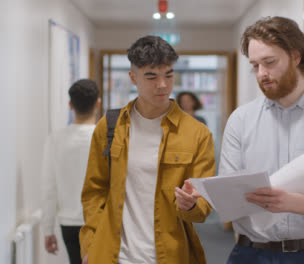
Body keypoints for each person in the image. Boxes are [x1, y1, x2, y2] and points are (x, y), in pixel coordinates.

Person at [220, 17, 304, 264]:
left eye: (269, 63)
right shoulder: (241, 119)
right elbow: (228, 190)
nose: (262, 74)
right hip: (250, 253)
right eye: (255, 66)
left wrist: (291, 202)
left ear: (296, 56)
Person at [79, 35, 215, 264]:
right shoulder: (110, 126)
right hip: (113, 255)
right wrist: (89, 246)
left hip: (169, 255)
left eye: (169, 75)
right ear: (133, 77)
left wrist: (191, 204)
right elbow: (94, 191)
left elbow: (204, 204)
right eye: (151, 76)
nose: (162, 84)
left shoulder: (197, 133)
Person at [41, 79, 101, 264]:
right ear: (97, 103)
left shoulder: (56, 139)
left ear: (70, 105)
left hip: (69, 222)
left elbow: (48, 187)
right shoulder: (104, 139)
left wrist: (48, 229)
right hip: (99, 220)